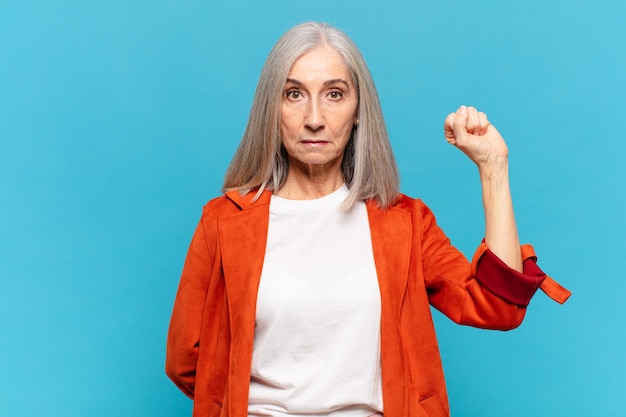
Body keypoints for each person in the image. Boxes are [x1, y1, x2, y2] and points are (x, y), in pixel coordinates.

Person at [166, 22, 571, 417]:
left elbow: (497, 308)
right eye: (294, 94)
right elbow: (187, 361)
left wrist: (493, 168)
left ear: (359, 109)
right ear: (272, 108)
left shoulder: (404, 222)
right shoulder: (223, 223)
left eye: (334, 94)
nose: (314, 118)